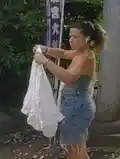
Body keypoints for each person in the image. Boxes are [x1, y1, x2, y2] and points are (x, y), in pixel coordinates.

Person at [33, 22, 107, 159]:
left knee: (73, 152)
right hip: (76, 106)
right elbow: (63, 53)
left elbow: (68, 77)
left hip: (76, 108)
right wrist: (46, 50)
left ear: (87, 38)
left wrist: (46, 62)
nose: (72, 40)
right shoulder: (80, 52)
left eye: (76, 37)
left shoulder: (85, 56)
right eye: (70, 36)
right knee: (79, 151)